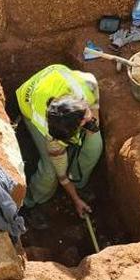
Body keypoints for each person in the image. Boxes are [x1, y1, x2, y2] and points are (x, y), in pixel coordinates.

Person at [15, 64, 103, 227]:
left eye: (84, 115)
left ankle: (78, 182)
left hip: (54, 82)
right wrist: (75, 200)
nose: (88, 119)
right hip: (28, 104)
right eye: (83, 123)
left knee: (95, 146)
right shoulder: (49, 129)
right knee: (50, 173)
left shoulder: (88, 84)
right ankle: (32, 202)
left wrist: (92, 124)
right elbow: (60, 173)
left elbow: (93, 111)